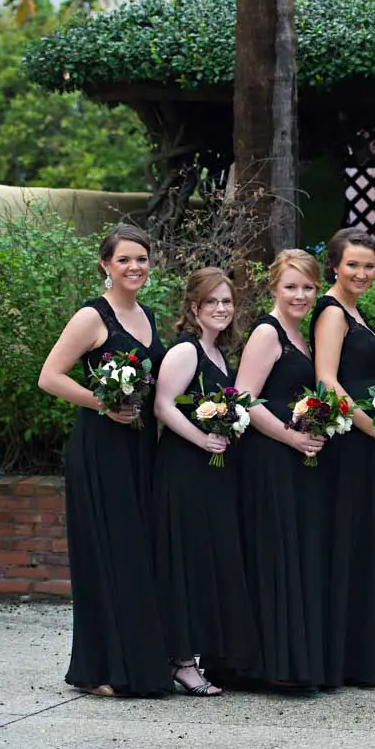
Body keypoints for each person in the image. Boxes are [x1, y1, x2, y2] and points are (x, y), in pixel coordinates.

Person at [37, 223, 170, 697]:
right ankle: (100, 669)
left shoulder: (150, 315)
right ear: (105, 265)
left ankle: (140, 664)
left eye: (142, 258)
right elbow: (49, 377)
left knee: (138, 553)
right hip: (100, 447)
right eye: (124, 260)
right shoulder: (92, 316)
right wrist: (102, 403)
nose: (134, 267)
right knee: (106, 552)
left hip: (140, 447)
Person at [152, 267, 260, 696]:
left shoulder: (218, 355)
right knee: (186, 560)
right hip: (183, 470)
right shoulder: (186, 351)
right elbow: (163, 406)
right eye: (212, 301)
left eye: (227, 302)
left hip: (212, 471)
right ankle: (181, 661)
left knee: (207, 560)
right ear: (194, 308)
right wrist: (202, 439)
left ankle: (198, 655)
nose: (221, 308)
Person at [311, 229, 375, 689]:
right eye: (353, 265)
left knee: (365, 542)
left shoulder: (356, 311)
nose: (362, 273)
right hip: (350, 443)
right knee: (349, 541)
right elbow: (327, 381)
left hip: (369, 443)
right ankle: (345, 660)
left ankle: (364, 656)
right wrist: (371, 426)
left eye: (369, 266)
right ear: (334, 265)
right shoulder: (331, 313)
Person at [236, 249, 327, 691]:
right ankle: (269, 665)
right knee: (273, 554)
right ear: (274, 286)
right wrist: (292, 437)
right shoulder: (267, 334)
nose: (301, 294)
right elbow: (245, 400)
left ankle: (292, 660)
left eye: (308, 287)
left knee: (290, 554)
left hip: (294, 459)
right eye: (291, 286)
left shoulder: (300, 335)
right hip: (268, 457)